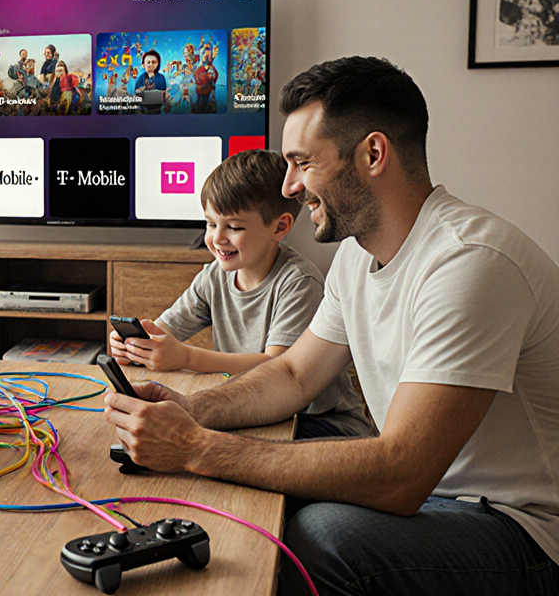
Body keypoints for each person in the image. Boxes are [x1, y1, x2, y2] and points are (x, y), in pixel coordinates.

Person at [104, 56, 559, 595]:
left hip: (519, 528)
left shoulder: (470, 262)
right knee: (249, 500)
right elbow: (295, 374)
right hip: (438, 500)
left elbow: (402, 473)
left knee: (323, 535)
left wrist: (198, 447)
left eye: (301, 163)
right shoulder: (354, 257)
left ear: (372, 153)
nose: (290, 186)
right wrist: (192, 411)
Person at [108, 149, 369, 440]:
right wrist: (136, 343)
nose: (217, 238)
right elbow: (164, 330)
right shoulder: (214, 277)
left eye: (233, 227)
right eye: (210, 224)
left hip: (320, 422)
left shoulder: (298, 282)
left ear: (279, 227)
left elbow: (278, 368)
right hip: (252, 408)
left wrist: (186, 357)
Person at [133, 49, 167, 113]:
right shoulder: (141, 78)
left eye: (153, 62)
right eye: (148, 62)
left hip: (158, 109)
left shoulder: (161, 77)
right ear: (143, 64)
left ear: (157, 64)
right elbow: (137, 93)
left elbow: (163, 92)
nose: (150, 64)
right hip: (143, 109)